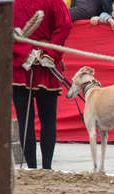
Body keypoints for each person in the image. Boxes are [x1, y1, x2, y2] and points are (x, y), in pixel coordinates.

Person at [13, 0, 72, 169]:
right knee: (46, 119)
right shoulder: (55, 2)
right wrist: (49, 52)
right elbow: (64, 25)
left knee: (26, 120)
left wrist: (27, 52)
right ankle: (45, 167)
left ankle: (33, 167)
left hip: (23, 65)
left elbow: (5, 30)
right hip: (40, 64)